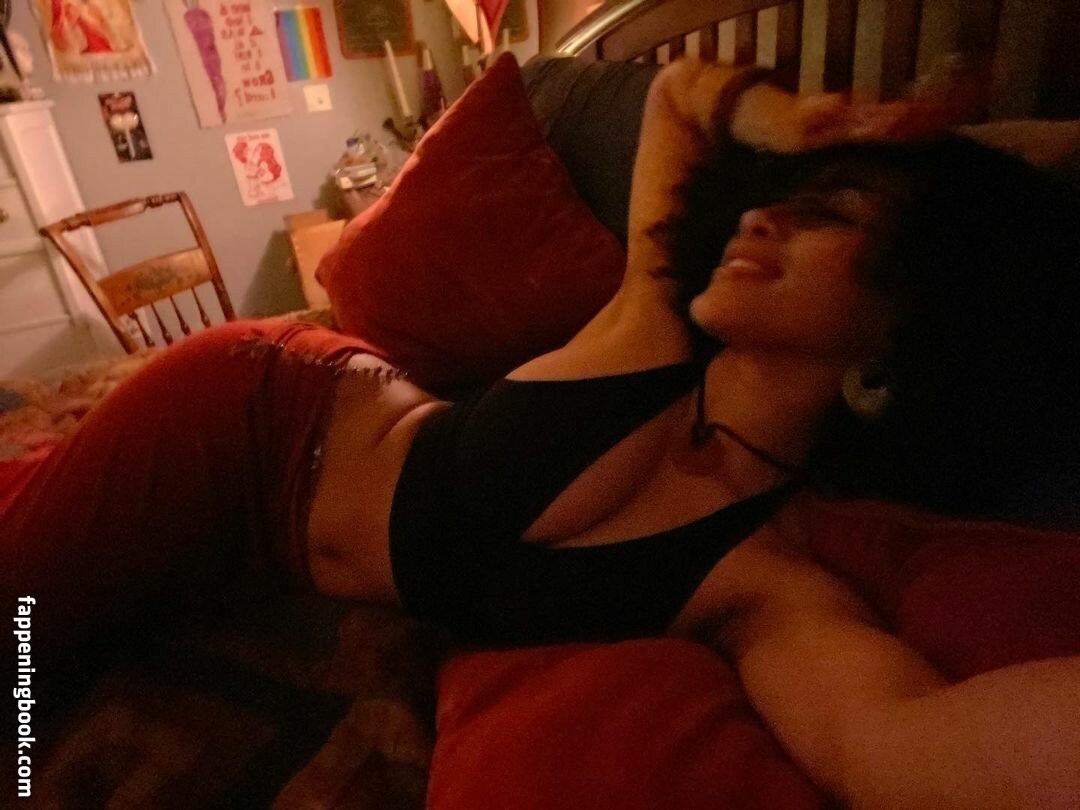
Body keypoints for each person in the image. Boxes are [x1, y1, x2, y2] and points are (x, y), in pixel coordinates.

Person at [3, 59, 1078, 807]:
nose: (765, 216)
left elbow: (889, 745)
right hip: (256, 414)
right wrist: (793, 122)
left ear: (903, 339)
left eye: (829, 215)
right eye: (783, 197)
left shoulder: (764, 581)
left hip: (267, 550)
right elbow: (676, 94)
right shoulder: (653, 315)